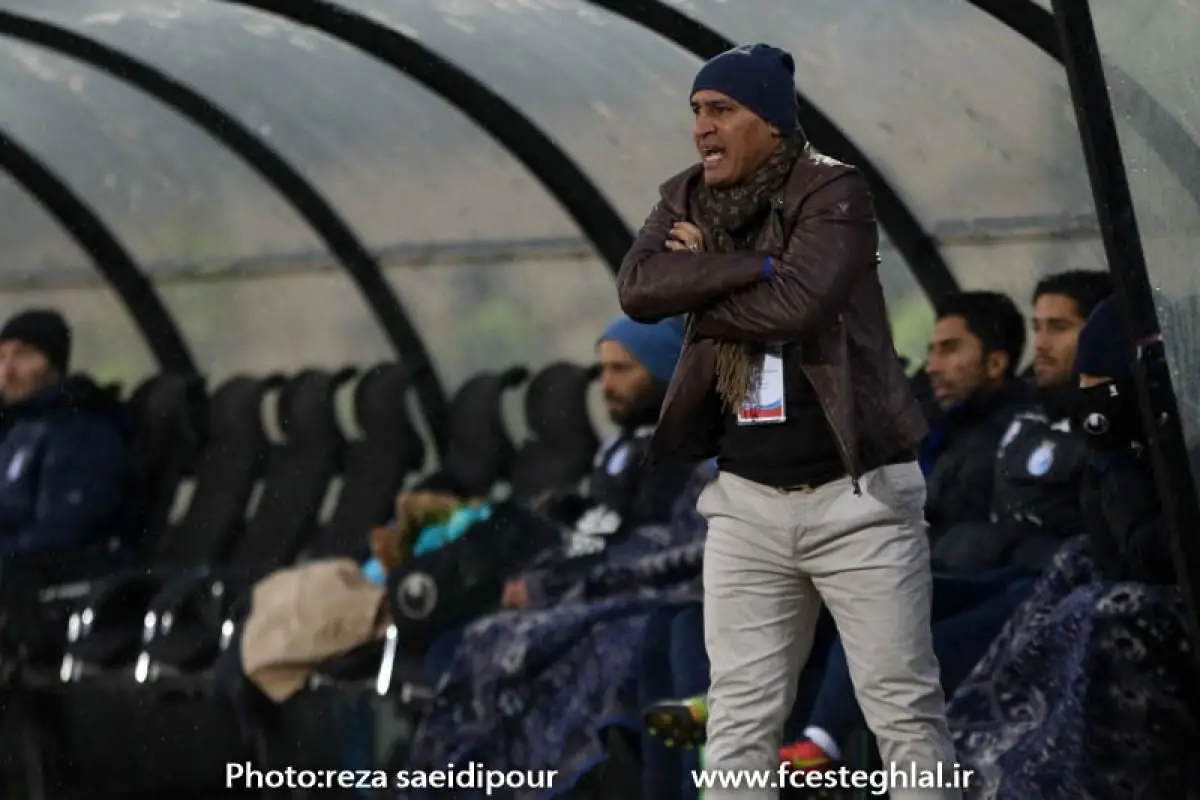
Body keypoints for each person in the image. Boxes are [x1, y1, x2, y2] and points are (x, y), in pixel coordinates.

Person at [617, 43, 956, 799]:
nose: (702, 128)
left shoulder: (835, 189)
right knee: (738, 717)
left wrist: (700, 280)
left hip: (856, 498)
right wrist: (757, 264)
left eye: (721, 109)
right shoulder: (684, 195)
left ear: (770, 120)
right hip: (746, 504)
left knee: (902, 711)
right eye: (696, 112)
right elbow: (639, 290)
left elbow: (801, 304)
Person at [947, 296, 1194, 798]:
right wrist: (1111, 453)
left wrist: (1113, 455)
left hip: (1144, 602)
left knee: (1105, 609)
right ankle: (964, 760)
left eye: (1057, 327)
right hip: (1015, 564)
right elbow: (1108, 549)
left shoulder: (1173, 447)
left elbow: (1154, 557)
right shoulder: (1116, 445)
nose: (1089, 397)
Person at [0, 309, 133, 561]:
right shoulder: (14, 427)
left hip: (40, 576)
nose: (7, 371)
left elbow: (64, 531)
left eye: (23, 355)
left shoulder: (80, 433)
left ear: (55, 365)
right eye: (1, 357)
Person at [921, 291, 1033, 547]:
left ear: (995, 363)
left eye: (949, 350)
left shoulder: (1014, 439)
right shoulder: (939, 430)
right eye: (932, 352)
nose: (932, 367)